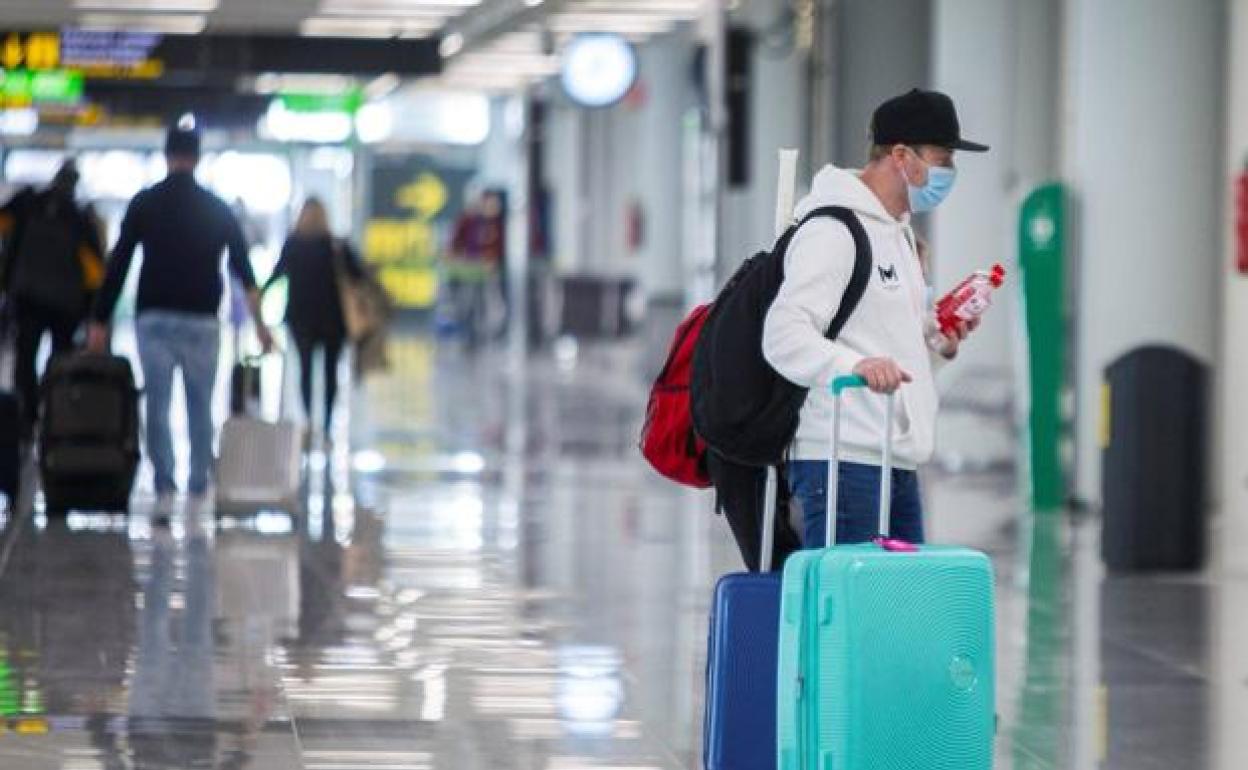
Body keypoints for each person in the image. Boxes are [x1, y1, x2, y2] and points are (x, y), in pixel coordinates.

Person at [762, 88, 988, 548]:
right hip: (841, 460)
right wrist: (852, 367)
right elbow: (782, 334)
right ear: (902, 156)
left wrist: (937, 343)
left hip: (895, 458)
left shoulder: (898, 236)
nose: (950, 172)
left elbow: (882, 344)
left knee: (896, 611)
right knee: (853, 611)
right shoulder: (833, 230)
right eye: (943, 158)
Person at [87, 123, 274, 512]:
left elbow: (118, 263)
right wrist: (260, 325)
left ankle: (164, 483)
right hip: (203, 320)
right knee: (200, 403)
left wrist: (100, 319)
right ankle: (198, 483)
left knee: (157, 402)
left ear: (168, 156)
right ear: (197, 158)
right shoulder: (216, 207)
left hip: (154, 317)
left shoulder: (145, 202)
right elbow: (244, 271)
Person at [0, 159, 105, 440]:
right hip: (65, 307)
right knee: (60, 361)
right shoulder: (81, 218)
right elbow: (95, 273)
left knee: (25, 358)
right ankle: (55, 414)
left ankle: (27, 418)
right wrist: (93, 313)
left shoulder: (29, 202)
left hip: (27, 298)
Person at [263, 197, 363, 447]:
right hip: (333, 321)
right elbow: (358, 276)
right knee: (330, 374)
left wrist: (257, 295)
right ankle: (327, 427)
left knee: (305, 372)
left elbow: (276, 275)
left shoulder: (293, 244)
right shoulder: (336, 246)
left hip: (301, 320)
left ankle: (308, 422)